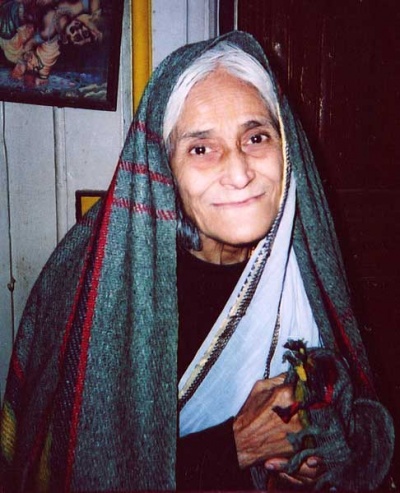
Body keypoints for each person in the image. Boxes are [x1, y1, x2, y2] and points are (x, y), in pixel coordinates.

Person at [0, 31, 394, 492]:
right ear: (164, 168)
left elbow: (366, 422)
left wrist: (322, 448)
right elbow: (72, 473)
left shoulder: (305, 262)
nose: (239, 172)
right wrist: (238, 445)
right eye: (201, 149)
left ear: (286, 149)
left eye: (256, 137)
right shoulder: (99, 283)